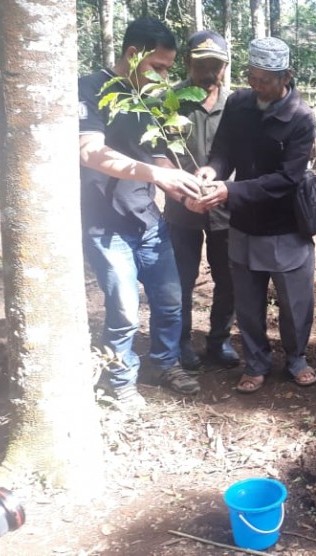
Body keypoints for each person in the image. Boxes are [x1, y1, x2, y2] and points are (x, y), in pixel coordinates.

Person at [79, 17, 203, 409]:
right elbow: (88, 151)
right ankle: (120, 379)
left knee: (170, 300)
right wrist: (153, 172)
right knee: (124, 309)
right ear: (133, 54)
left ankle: (166, 363)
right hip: (107, 224)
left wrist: (183, 184)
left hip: (149, 219)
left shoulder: (147, 99)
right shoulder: (91, 88)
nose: (166, 77)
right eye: (160, 67)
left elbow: (154, 153)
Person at [197, 37, 316, 392]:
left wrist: (230, 191)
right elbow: (223, 151)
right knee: (248, 302)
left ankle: (297, 358)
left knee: (295, 302)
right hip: (243, 224)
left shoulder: (301, 117)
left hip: (285, 225)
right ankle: (256, 362)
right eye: (252, 76)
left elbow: (288, 178)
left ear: (286, 77)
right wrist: (212, 171)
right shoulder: (238, 104)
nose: (257, 85)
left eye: (265, 79)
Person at [163, 30, 239, 371]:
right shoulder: (170, 102)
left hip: (226, 207)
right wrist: (182, 193)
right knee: (181, 276)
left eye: (216, 65)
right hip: (182, 208)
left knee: (228, 277)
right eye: (202, 64)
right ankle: (180, 342)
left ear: (225, 66)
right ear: (187, 63)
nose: (209, 72)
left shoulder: (237, 104)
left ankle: (219, 340)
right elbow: (158, 156)